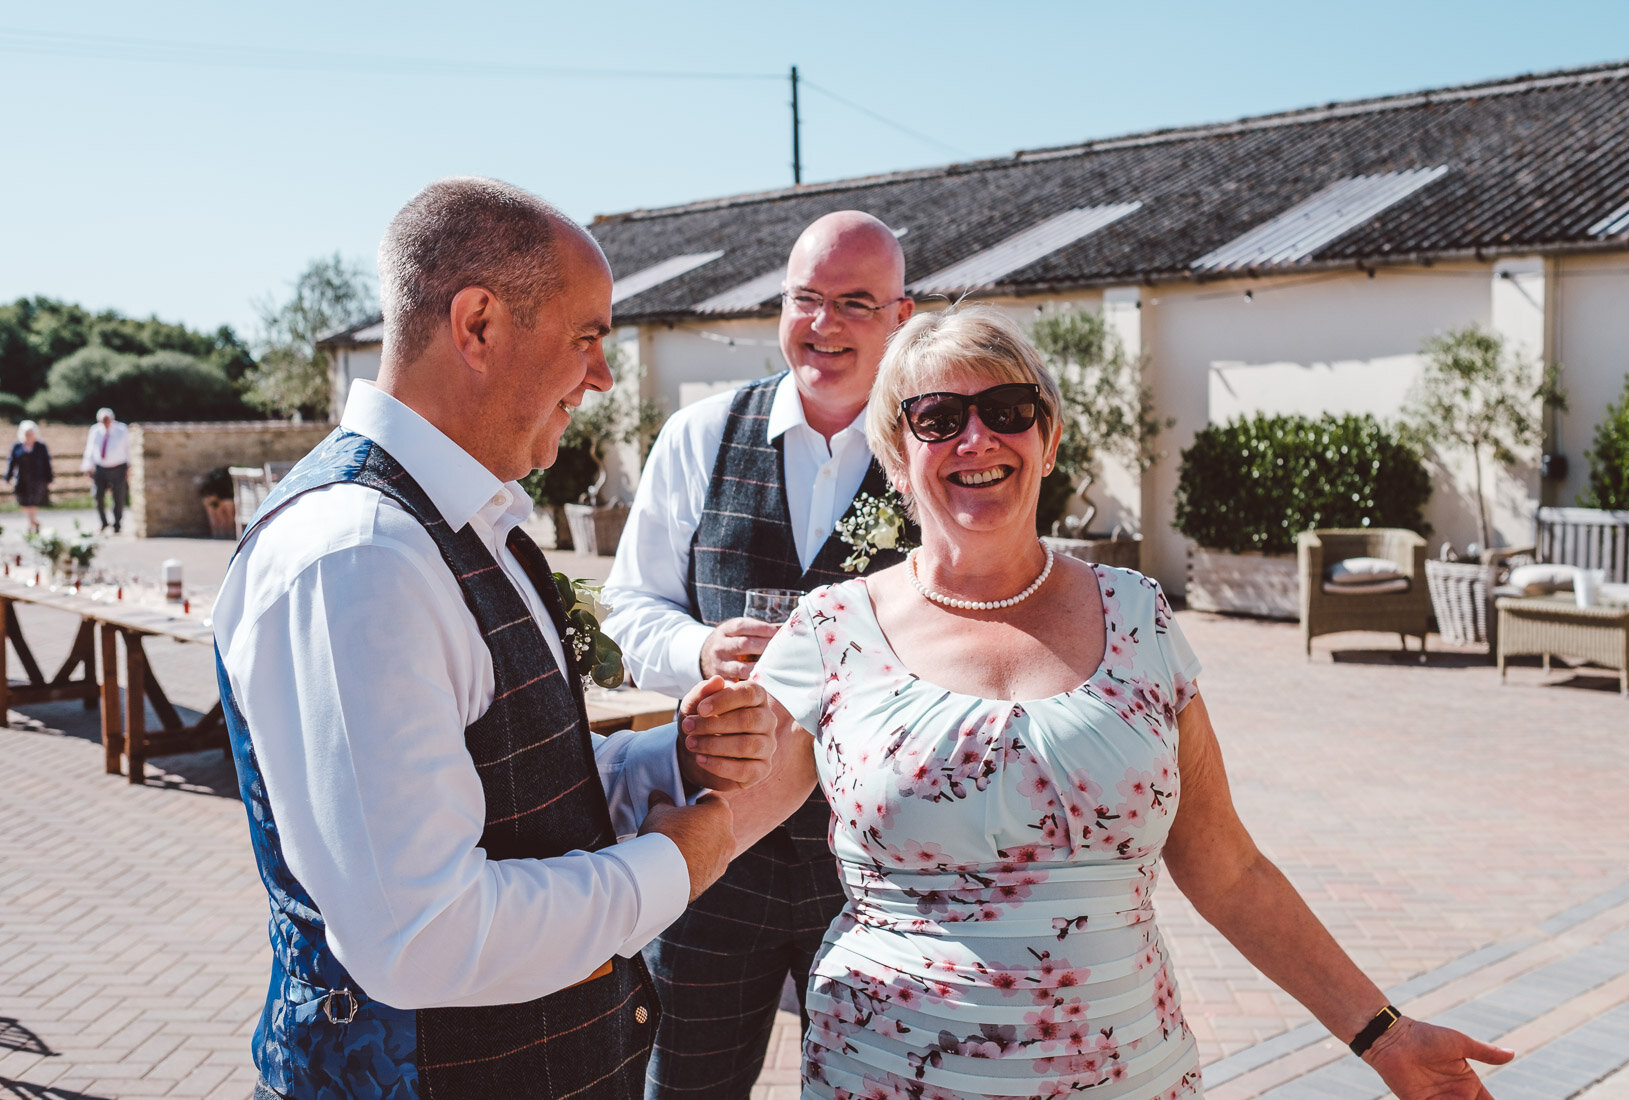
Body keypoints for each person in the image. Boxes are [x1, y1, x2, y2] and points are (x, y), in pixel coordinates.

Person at [740, 305, 1514, 1099]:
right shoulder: (832, 630)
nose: (978, 440)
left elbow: (1229, 868)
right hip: (882, 1078)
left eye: (1007, 411)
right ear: (896, 454)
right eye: (938, 418)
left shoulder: (1137, 616)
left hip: (1130, 1078)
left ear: (1050, 439)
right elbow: (716, 821)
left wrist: (1385, 1036)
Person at [213, 177, 779, 1100]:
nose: (602, 376)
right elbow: (422, 939)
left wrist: (662, 758)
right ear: (476, 325)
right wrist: (686, 856)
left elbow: (504, 783)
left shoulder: (468, 519)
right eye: (588, 336)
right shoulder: (358, 555)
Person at [603, 211, 915, 1098]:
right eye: (806, 299)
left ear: (901, 315)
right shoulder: (699, 435)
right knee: (683, 1087)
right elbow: (629, 606)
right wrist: (701, 648)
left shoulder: (929, 457)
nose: (825, 325)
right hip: (712, 848)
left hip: (868, 861)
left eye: (855, 302)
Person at [80, 406, 129, 533]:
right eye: (103, 420)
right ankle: (103, 522)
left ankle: (117, 523)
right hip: (101, 468)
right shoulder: (95, 431)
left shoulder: (122, 430)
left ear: (112, 419)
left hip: (118, 467)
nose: (105, 423)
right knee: (97, 495)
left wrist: (129, 468)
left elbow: (128, 448)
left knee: (118, 496)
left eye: (107, 420)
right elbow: (90, 449)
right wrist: (87, 467)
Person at [6, 420, 53, 532]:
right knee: (23, 502)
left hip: (37, 479)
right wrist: (8, 476)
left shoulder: (41, 446)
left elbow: (47, 462)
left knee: (33, 502)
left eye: (31, 434)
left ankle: (31, 523)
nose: (29, 436)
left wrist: (49, 477)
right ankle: (34, 522)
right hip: (22, 478)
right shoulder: (17, 446)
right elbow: (12, 462)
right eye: (27, 434)